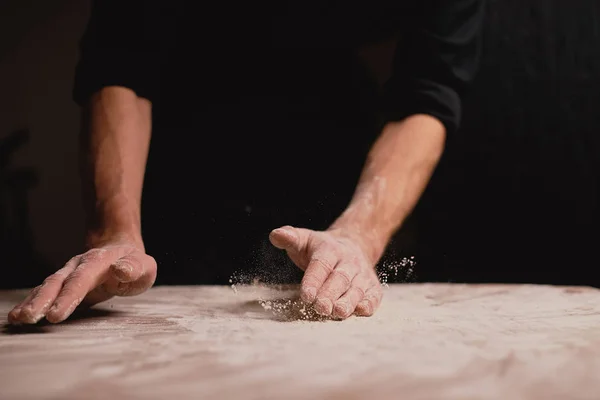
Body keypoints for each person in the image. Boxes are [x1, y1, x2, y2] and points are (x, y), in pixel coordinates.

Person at [8, 0, 484, 324]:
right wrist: (115, 230)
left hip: (342, 155)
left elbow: (428, 90)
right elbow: (122, 60)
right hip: (186, 150)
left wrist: (358, 233)